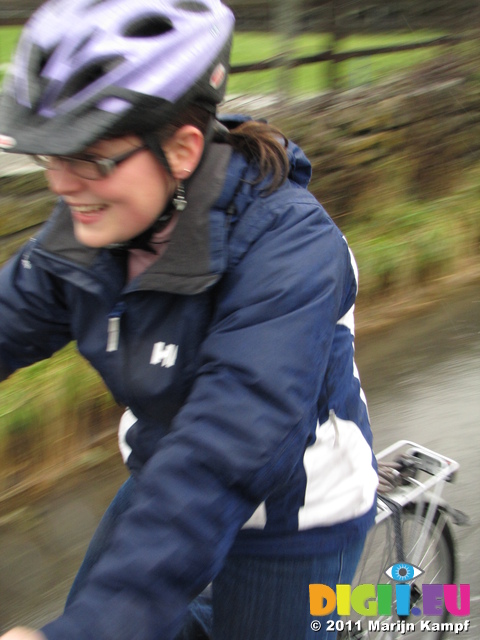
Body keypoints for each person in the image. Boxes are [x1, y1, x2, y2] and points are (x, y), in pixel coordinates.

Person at [0, 0, 378, 638]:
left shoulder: (291, 248)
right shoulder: (86, 233)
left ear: (181, 148)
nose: (61, 186)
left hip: (291, 509)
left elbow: (227, 444)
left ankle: (420, 611)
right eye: (50, 156)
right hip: (164, 478)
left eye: (91, 158)